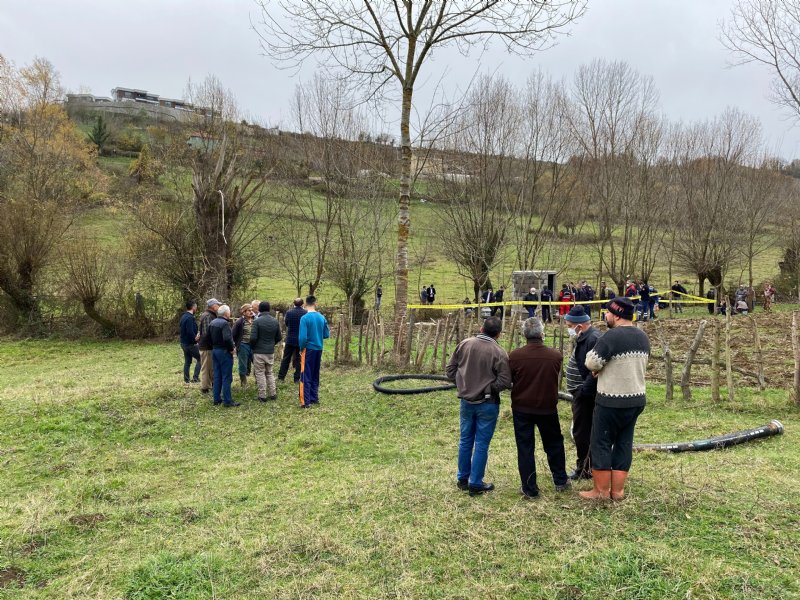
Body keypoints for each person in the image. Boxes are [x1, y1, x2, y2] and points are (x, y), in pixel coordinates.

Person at [581, 297, 650, 500]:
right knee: (624, 442)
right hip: (636, 398)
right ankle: (617, 491)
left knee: (601, 441)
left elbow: (592, 363)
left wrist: (598, 370)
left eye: (608, 312)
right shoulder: (643, 337)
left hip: (612, 398)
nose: (606, 316)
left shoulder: (611, 337)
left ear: (617, 314)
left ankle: (601, 492)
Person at [446, 316, 512, 496]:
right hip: (488, 403)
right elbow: (505, 380)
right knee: (481, 443)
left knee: (465, 440)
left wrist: (463, 384)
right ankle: (475, 483)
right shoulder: (499, 352)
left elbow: (450, 370)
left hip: (466, 402)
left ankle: (462, 478)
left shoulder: (464, 344)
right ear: (498, 334)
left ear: (481, 329)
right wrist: (489, 389)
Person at [508, 317, 569, 498]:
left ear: (524, 334)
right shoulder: (555, 356)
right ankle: (560, 479)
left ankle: (529, 488)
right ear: (542, 334)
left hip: (522, 407)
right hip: (547, 407)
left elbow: (511, 379)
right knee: (554, 444)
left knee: (525, 447)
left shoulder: (515, 356)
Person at [563, 306, 601, 480]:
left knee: (582, 431)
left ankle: (585, 469)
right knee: (581, 430)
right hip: (580, 393)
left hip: (585, 395)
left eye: (569, 325)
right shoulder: (583, 337)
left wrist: (584, 390)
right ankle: (586, 466)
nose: (568, 328)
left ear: (579, 325)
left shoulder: (592, 339)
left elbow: (596, 370)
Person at [298, 295, 330, 408]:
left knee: (305, 373)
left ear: (305, 304)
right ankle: (314, 397)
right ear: (315, 303)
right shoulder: (322, 317)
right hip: (319, 348)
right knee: (315, 373)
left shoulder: (304, 318)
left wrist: (301, 349)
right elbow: (326, 334)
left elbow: (302, 338)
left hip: (308, 349)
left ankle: (305, 401)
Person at [250, 300, 282, 402]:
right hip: (270, 351)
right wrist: (272, 344)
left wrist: (253, 347)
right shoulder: (275, 321)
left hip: (259, 351)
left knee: (260, 373)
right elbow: (279, 337)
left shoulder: (256, 321)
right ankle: (273, 393)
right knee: (269, 372)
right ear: (269, 309)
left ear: (259, 309)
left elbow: (253, 338)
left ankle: (262, 395)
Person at [209, 304, 239, 407]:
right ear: (226, 313)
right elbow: (227, 338)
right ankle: (227, 401)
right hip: (224, 352)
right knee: (227, 376)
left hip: (215, 350)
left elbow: (207, 337)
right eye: (229, 311)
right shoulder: (225, 324)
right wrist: (231, 349)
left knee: (217, 375)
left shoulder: (212, 322)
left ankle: (216, 399)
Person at [278, 298, 307, 384]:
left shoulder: (289, 312)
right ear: (302, 304)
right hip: (300, 340)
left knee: (286, 358)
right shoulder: (305, 313)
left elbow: (286, 323)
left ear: (293, 303)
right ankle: (297, 378)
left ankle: (281, 377)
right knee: (299, 359)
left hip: (290, 339)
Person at [197, 298, 221, 394]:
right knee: (206, 368)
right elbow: (207, 333)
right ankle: (205, 388)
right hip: (206, 347)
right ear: (213, 306)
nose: (219, 307)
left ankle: (209, 386)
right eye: (217, 305)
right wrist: (214, 344)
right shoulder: (208, 316)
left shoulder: (210, 315)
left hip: (207, 346)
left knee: (210, 367)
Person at [231, 304, 255, 387]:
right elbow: (233, 334)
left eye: (252, 310)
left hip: (253, 346)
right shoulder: (240, 322)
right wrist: (234, 345)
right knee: (243, 365)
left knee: (258, 363)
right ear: (244, 312)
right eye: (249, 310)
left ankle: (258, 381)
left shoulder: (255, 320)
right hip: (243, 345)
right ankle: (243, 383)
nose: (251, 312)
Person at [179, 300, 201, 384]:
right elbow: (189, 331)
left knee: (187, 361)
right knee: (201, 359)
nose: (196, 308)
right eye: (195, 306)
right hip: (190, 344)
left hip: (183, 343)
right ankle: (195, 378)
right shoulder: (190, 318)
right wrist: (195, 338)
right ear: (193, 307)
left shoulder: (183, 316)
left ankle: (186, 380)